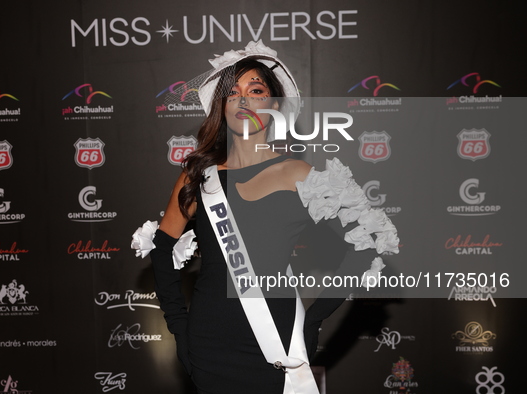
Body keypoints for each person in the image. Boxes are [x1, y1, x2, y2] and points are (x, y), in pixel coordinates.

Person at [132, 40, 399, 394]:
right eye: (232, 93)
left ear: (273, 103)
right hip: (209, 346)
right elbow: (162, 248)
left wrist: (315, 318)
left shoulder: (299, 174)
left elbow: (371, 242)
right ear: (222, 106)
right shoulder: (198, 175)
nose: (243, 100)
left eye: (254, 89)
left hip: (276, 343)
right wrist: (179, 328)